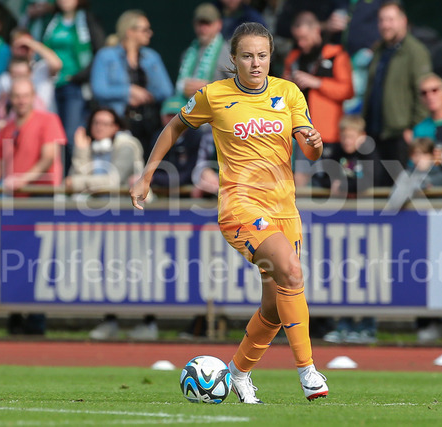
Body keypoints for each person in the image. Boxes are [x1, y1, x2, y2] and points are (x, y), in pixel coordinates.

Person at [130, 23, 328, 403]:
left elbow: (311, 150)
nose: (256, 63)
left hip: (284, 208)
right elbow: (174, 127)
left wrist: (315, 144)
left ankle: (238, 371)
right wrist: (147, 174)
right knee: (291, 270)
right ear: (233, 58)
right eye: (247, 56)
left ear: (270, 57)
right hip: (239, 206)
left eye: (262, 56)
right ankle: (307, 372)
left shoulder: (288, 92)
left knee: (275, 304)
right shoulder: (214, 95)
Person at [362, 0, 432, 186]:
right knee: (375, 186)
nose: (385, 25)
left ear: (403, 21)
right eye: (382, 20)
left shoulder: (415, 51)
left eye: (390, 19)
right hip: (375, 132)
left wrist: (413, 128)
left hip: (400, 135)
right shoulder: (379, 50)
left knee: (400, 189)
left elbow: (424, 93)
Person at [91, 10, 173, 163]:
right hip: (119, 123)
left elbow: (166, 90)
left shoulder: (152, 57)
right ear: (130, 32)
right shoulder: (106, 56)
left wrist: (145, 96)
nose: (150, 33)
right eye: (145, 30)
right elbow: (98, 89)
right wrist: (128, 91)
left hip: (149, 123)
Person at [283, 10, 353, 187]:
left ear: (316, 31)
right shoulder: (293, 58)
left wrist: (317, 83)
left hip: (328, 133)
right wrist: (289, 85)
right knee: (300, 180)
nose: (301, 43)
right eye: (297, 39)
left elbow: (347, 91)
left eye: (304, 38)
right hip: (301, 133)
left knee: (329, 183)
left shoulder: (336, 54)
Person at [42, 0, 105, 172]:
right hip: (50, 87)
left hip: (75, 88)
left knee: (71, 136)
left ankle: (74, 176)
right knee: (52, 137)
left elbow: (100, 52)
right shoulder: (51, 21)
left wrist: (78, 77)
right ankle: (58, 178)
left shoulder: (87, 20)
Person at [0, 77, 66, 190]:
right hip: (14, 194)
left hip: (42, 192)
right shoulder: (5, 130)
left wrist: (23, 180)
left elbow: (48, 158)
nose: (21, 101)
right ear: (10, 98)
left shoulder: (49, 121)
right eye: (17, 96)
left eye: (26, 96)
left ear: (33, 96)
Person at [66, 107, 143, 193]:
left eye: (105, 124)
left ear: (115, 127)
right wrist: (81, 152)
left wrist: (78, 183)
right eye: (96, 123)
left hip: (124, 199)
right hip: (92, 199)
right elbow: (73, 180)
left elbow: (114, 180)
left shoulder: (126, 146)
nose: (99, 127)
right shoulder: (88, 146)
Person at [175, 3, 234, 103]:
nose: (203, 28)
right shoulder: (187, 53)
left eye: (208, 23)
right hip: (189, 107)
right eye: (200, 23)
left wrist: (208, 87)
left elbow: (239, 86)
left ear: (219, 24)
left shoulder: (229, 52)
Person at [0, 27, 62, 113]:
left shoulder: (41, 68)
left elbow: (57, 64)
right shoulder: (4, 78)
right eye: (18, 47)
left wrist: (32, 43)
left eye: (26, 47)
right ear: (11, 48)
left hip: (44, 119)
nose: (22, 50)